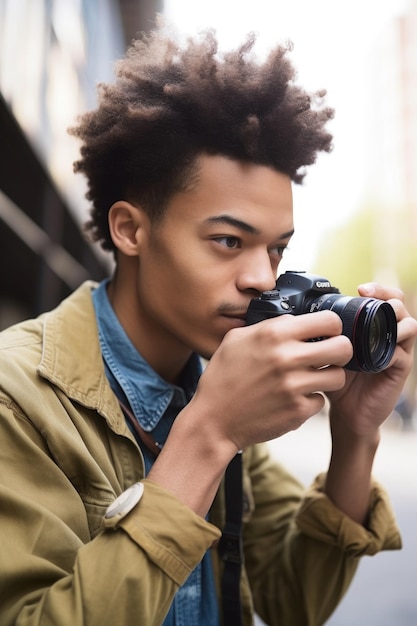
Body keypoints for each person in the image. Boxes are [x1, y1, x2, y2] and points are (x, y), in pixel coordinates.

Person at [1, 21, 416, 626]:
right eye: (228, 240)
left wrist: (355, 436)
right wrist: (208, 435)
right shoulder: (18, 398)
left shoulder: (210, 379)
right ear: (131, 230)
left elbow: (291, 602)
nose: (263, 278)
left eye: (277, 249)